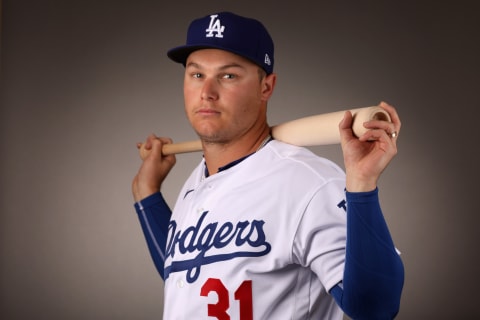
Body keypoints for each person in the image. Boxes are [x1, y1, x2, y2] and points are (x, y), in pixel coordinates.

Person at [132, 11, 404, 320]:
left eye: (228, 75)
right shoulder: (197, 181)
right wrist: (147, 194)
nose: (207, 92)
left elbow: (375, 308)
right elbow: (182, 277)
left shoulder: (309, 183)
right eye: (197, 75)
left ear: (266, 87)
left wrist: (362, 186)